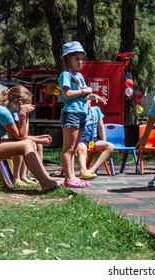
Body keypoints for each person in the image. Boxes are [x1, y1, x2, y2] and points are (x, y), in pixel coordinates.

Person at [0, 85, 59, 193]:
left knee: (29, 143)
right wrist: (23, 115)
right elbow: (20, 137)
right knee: (26, 145)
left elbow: (21, 135)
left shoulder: (11, 111)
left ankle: (46, 180)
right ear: (17, 102)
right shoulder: (2, 111)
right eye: (27, 103)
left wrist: (37, 139)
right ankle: (45, 182)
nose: (30, 106)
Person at [59, 41, 107, 188]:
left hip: (82, 114)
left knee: (74, 149)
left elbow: (83, 95)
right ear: (68, 59)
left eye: (81, 58)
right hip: (71, 114)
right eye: (76, 58)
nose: (80, 62)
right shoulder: (65, 75)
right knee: (68, 147)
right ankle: (68, 178)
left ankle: (73, 176)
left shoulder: (79, 76)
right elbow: (67, 94)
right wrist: (83, 91)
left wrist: (93, 96)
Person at [77, 101, 114, 180]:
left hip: (92, 139)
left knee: (110, 146)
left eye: (87, 101)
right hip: (82, 138)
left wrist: (104, 140)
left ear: (90, 101)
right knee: (82, 149)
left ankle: (92, 170)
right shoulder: (78, 112)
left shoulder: (96, 110)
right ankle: (83, 171)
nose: (85, 103)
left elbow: (101, 128)